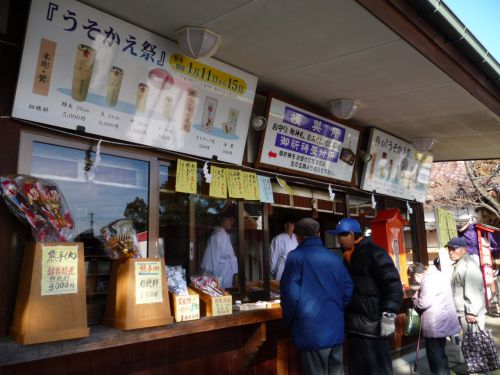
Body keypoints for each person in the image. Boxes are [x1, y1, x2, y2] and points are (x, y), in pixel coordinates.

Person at [329, 217, 403, 375]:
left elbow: (394, 285)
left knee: (378, 370)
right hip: (354, 327)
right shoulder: (348, 256)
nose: (338, 241)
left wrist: (389, 314)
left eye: (340, 236)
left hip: (373, 326)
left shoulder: (375, 253)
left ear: (351, 235)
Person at [280, 218, 353, 375]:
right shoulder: (334, 257)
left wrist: (289, 322)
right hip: (336, 328)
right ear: (318, 234)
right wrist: (337, 308)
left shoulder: (295, 257)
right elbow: (348, 288)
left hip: (311, 332)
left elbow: (290, 297)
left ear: (297, 236)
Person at [409, 262, 461, 375]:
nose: (413, 279)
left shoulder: (427, 280)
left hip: (434, 322)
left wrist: (415, 299)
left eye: (412, 276)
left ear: (417, 274)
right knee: (440, 352)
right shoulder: (438, 275)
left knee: (435, 355)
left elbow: (424, 303)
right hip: (443, 318)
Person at [447, 236, 486, 331]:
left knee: (475, 343)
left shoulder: (468, 265)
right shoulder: (460, 264)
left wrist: (471, 311)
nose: (450, 252)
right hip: (464, 312)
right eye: (449, 249)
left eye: (453, 249)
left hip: (471, 314)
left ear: (464, 249)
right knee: (470, 343)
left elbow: (474, 290)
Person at [200, 211, 238, 289]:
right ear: (221, 218)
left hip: (226, 273)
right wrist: (208, 275)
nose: (232, 222)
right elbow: (209, 261)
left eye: (233, 220)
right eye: (230, 219)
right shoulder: (218, 235)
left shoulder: (223, 234)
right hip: (220, 273)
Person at [269, 214, 298, 280]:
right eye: (286, 223)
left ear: (294, 225)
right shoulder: (277, 239)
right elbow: (273, 258)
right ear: (284, 225)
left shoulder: (296, 238)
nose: (289, 225)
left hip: (295, 271)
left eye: (291, 223)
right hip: (281, 271)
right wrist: (275, 272)